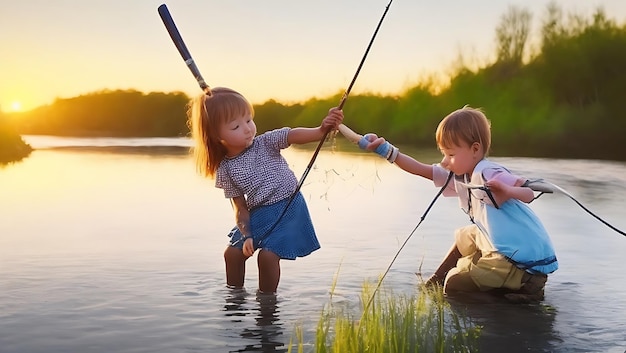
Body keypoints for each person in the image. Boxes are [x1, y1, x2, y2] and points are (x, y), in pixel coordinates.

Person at [357, 106, 558, 303]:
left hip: (517, 260)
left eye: (450, 155)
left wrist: (507, 191)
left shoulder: (488, 172)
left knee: (454, 285)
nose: (445, 161)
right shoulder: (461, 176)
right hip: (508, 247)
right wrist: (385, 150)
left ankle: (512, 296)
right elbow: (420, 169)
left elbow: (528, 193)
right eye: (444, 154)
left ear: (475, 149)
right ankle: (435, 281)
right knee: (466, 235)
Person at [187, 87, 343, 294]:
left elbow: (292, 135)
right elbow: (240, 207)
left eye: (249, 120)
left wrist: (320, 130)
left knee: (267, 256)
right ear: (216, 136)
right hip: (259, 212)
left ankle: (267, 306)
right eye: (235, 126)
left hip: (288, 207)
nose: (247, 129)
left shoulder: (266, 143)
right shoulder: (225, 168)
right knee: (232, 253)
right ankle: (235, 300)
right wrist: (247, 234)